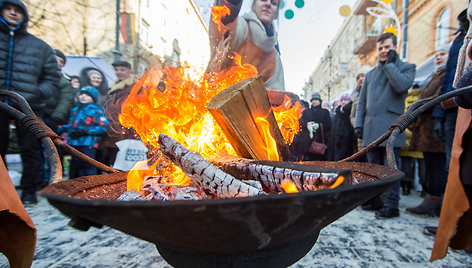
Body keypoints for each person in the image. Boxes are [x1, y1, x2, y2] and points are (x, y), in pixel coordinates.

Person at [0, 0, 60, 205]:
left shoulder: (39, 46)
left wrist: (36, 93)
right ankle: (4, 193)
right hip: (0, 103)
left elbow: (53, 76)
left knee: (31, 149)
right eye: (8, 9)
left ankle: (28, 191)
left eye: (18, 10)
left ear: (24, 16)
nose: (13, 13)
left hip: (28, 105)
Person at [354, 32, 416, 218]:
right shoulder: (371, 74)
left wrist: (390, 65)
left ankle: (392, 204)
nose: (383, 51)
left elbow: (401, 86)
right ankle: (376, 200)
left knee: (391, 169)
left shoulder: (406, 67)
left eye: (387, 47)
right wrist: (359, 124)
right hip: (371, 127)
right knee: (373, 168)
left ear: (395, 48)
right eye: (380, 48)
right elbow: (362, 102)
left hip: (392, 127)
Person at [407, 47, 449, 216]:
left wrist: (418, 105)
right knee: (431, 166)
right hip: (427, 130)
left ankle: (435, 200)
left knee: (437, 167)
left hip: (436, 129)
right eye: (436, 55)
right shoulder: (435, 75)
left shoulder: (447, 75)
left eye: (442, 55)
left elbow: (439, 97)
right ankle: (433, 199)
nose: (438, 58)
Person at [207, 0, 285, 91]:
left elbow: (277, 98)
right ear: (253, 4)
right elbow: (223, 25)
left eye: (274, 3)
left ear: (276, 14)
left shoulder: (275, 60)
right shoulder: (241, 27)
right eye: (263, 0)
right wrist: (231, 3)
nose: (268, 4)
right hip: (210, 96)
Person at [432, 9, 469, 172]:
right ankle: (449, 197)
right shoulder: (458, 40)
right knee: (452, 158)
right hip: (452, 107)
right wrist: (438, 116)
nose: (438, 57)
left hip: (466, 103)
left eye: (441, 54)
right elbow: (448, 79)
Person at [57, 86, 108, 177]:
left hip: (88, 144)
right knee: (76, 165)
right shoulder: (75, 110)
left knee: (88, 165)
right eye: (82, 94)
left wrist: (85, 131)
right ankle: (77, 186)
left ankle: (90, 185)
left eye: (88, 95)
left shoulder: (95, 110)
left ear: (93, 98)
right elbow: (73, 125)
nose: (83, 96)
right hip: (75, 143)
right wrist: (63, 128)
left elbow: (103, 127)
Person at [100, 60, 139, 169]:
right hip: (110, 130)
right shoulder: (113, 86)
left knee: (122, 164)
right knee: (108, 162)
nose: (119, 72)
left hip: (124, 131)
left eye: (122, 70)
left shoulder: (133, 87)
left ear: (130, 71)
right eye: (117, 70)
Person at [291, 93, 331, 161]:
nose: (314, 101)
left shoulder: (325, 112)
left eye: (316, 100)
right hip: (306, 141)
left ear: (320, 101)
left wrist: (318, 125)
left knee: (320, 160)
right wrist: (307, 124)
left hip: (319, 140)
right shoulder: (306, 112)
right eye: (313, 100)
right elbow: (300, 123)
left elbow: (328, 125)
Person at [332, 94, 354, 161]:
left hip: (348, 137)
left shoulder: (350, 110)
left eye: (345, 100)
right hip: (338, 137)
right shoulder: (338, 111)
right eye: (342, 100)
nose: (343, 102)